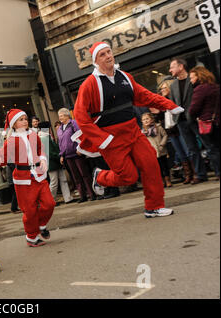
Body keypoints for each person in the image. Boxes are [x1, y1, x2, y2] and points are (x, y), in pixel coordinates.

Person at [72, 41, 184, 218]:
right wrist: (102, 139)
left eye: (109, 52)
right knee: (128, 177)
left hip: (133, 131)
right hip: (111, 138)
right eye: (102, 54)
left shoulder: (125, 76)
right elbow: (80, 116)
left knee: (150, 164)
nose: (108, 56)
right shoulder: (89, 84)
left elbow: (144, 95)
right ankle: (100, 177)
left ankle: (154, 206)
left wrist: (169, 105)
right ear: (95, 61)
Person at [0, 109, 55, 247]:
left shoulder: (33, 135)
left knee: (49, 203)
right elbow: (1, 159)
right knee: (30, 211)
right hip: (23, 180)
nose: (25, 121)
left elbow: (41, 150)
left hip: (39, 175)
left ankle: (41, 225)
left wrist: (44, 159)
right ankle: (31, 236)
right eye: (21, 119)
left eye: (25, 118)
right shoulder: (11, 141)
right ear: (14, 124)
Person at [169, 58, 207, 184]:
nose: (170, 70)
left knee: (208, 145)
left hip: (196, 119)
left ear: (181, 67)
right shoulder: (173, 85)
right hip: (181, 121)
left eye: (172, 67)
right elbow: (172, 102)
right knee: (192, 149)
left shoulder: (193, 80)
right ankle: (200, 174)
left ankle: (217, 171)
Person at [57, 108, 96, 203]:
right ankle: (83, 196)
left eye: (61, 115)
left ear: (67, 115)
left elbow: (80, 135)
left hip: (77, 153)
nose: (60, 117)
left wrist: (80, 147)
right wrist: (61, 155)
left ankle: (92, 194)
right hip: (67, 156)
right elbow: (60, 143)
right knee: (76, 177)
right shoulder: (59, 129)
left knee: (84, 174)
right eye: (59, 116)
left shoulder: (74, 123)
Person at [188, 66, 220, 180]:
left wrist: (194, 116)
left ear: (199, 76)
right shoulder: (216, 87)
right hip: (217, 120)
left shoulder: (200, 89)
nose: (191, 80)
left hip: (207, 123)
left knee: (212, 148)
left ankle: (219, 172)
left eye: (192, 77)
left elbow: (193, 109)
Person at [158, 79, 192, 184]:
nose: (162, 90)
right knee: (181, 154)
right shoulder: (162, 103)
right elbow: (161, 118)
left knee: (188, 151)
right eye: (161, 89)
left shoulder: (173, 100)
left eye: (164, 88)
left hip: (179, 129)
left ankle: (195, 173)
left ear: (169, 88)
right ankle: (187, 175)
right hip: (170, 132)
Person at [37, 121, 73, 204]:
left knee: (62, 180)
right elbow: (49, 153)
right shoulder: (44, 137)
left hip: (54, 162)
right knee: (54, 182)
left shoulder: (46, 136)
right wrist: (59, 156)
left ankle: (67, 197)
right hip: (51, 163)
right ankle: (50, 200)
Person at [141, 113, 172, 187]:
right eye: (144, 120)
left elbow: (165, 135)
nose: (146, 121)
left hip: (161, 150)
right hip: (153, 152)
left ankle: (168, 180)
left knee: (165, 166)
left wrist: (162, 144)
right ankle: (162, 181)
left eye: (147, 118)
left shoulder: (158, 127)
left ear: (152, 119)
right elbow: (143, 142)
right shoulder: (143, 132)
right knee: (158, 168)